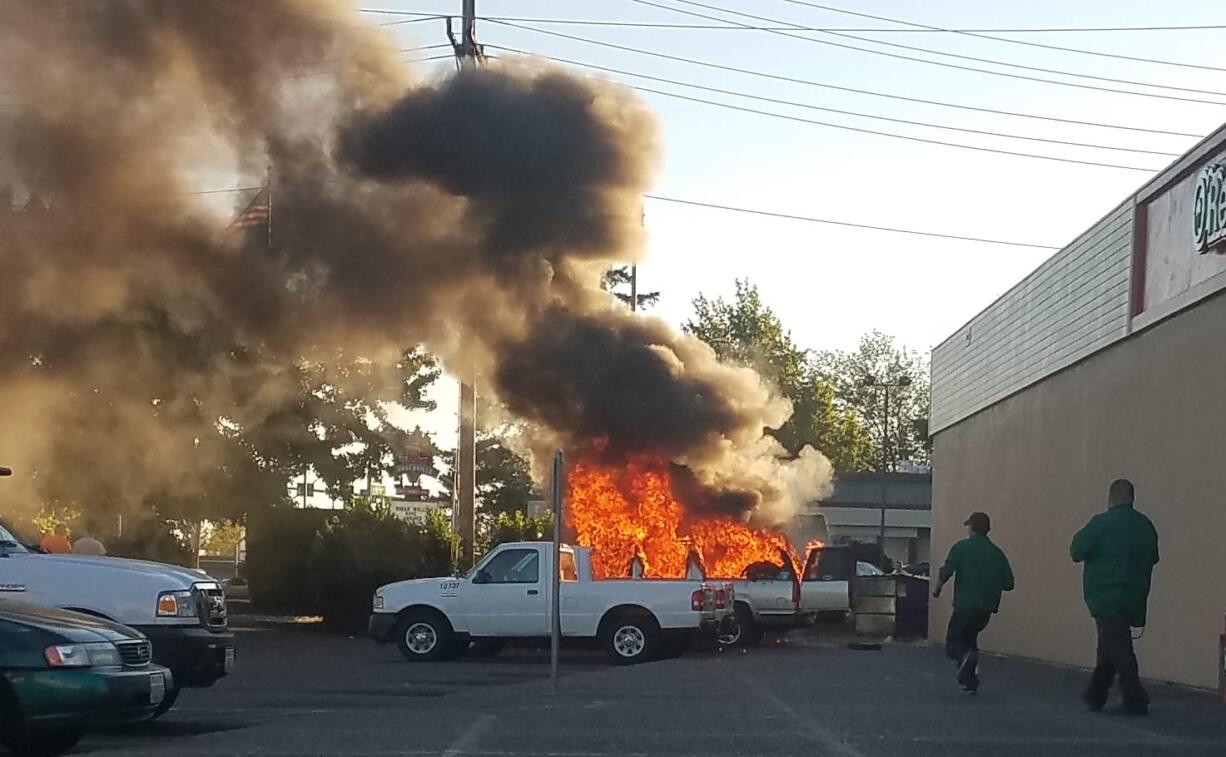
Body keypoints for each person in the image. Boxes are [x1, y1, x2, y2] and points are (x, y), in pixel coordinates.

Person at [1071, 479, 1159, 716]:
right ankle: (1095, 695)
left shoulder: (1101, 523)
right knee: (1110, 644)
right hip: (1134, 595)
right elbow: (1153, 557)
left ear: (1111, 498)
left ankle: (1134, 697)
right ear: (1132, 498)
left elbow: (1076, 551)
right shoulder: (1145, 526)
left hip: (1104, 594)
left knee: (1119, 648)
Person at [932, 511, 1015, 693]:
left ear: (971, 528)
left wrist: (937, 588)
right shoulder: (996, 553)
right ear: (988, 529)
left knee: (954, 644)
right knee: (970, 638)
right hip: (985, 609)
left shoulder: (961, 548)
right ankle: (969, 682)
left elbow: (947, 570)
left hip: (964, 605)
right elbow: (1009, 584)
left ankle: (964, 659)